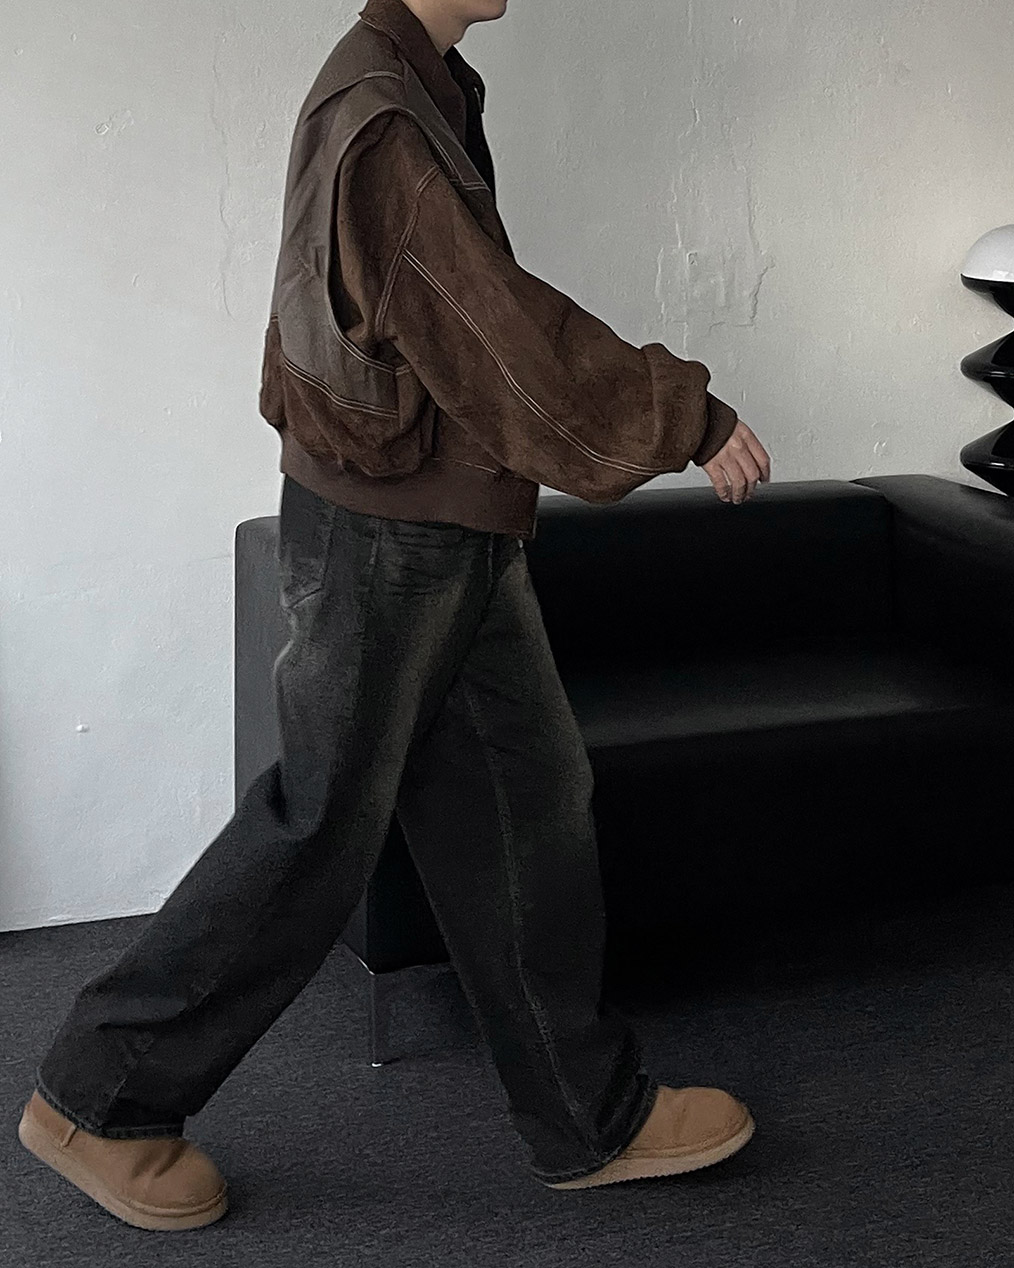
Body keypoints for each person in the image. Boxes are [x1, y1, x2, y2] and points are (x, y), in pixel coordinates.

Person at [17, 0, 771, 1231]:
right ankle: (102, 1095)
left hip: (445, 526)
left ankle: (584, 1113)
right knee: (322, 823)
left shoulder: (420, 83)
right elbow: (506, 342)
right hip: (392, 538)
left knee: (528, 798)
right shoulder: (388, 124)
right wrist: (683, 412)